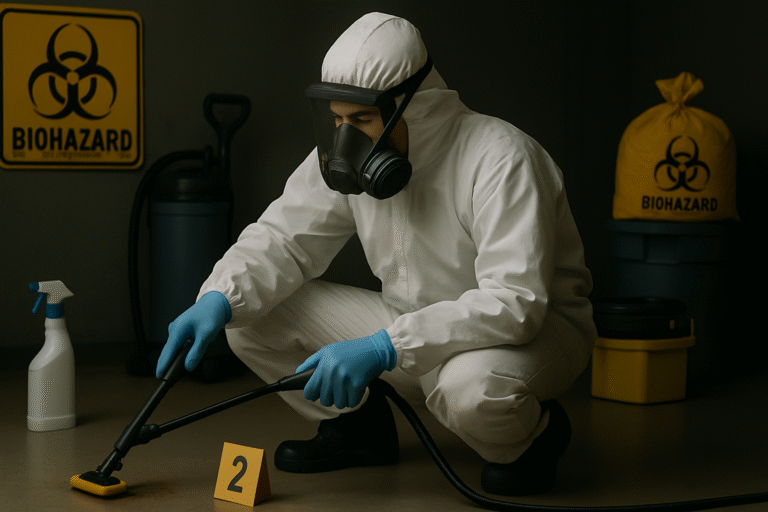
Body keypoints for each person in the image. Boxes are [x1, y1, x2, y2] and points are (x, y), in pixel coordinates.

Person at [156, 12, 596, 496]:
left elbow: (516, 304)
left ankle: (530, 440)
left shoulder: (501, 159)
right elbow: (283, 237)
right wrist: (218, 297)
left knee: (468, 390)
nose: (346, 136)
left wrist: (385, 347)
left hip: (525, 336)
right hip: (408, 326)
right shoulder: (352, 152)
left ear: (418, 107)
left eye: (362, 120)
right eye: (338, 118)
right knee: (249, 315)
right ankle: (358, 428)